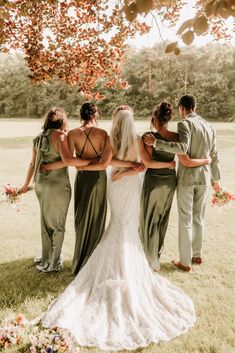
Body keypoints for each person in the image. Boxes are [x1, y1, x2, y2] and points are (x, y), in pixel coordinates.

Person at [38, 106, 196, 351]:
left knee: (119, 222)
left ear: (117, 121)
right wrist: (139, 169)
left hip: (117, 183)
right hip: (130, 184)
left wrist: (125, 170)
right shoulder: (138, 138)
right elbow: (144, 162)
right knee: (126, 223)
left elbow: (111, 162)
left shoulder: (112, 138)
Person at [144, 95, 220, 272]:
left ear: (182, 108)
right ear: (195, 106)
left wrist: (156, 143)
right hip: (204, 178)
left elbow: (182, 148)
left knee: (186, 219)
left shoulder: (184, 124)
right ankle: (197, 254)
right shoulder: (210, 126)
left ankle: (185, 262)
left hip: (187, 179)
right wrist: (216, 180)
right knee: (199, 217)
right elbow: (214, 155)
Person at [20, 107, 91, 272]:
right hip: (57, 186)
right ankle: (54, 262)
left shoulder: (38, 138)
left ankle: (47, 257)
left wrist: (26, 184)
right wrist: (88, 161)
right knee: (58, 224)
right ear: (62, 121)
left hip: (41, 185)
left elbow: (32, 164)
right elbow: (67, 160)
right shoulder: (60, 136)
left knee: (46, 223)